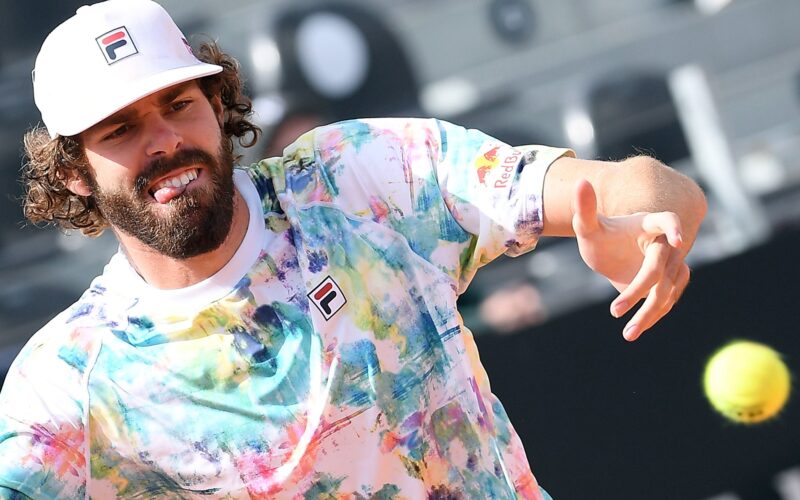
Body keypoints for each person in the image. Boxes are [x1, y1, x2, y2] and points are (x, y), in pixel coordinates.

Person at [0, 0, 707, 498]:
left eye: (178, 104)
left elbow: (650, 186)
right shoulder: (68, 381)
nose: (164, 141)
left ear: (217, 105)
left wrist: (650, 224)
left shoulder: (354, 177)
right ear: (73, 174)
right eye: (120, 129)